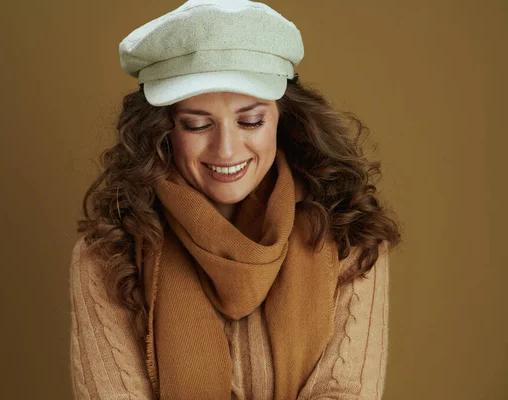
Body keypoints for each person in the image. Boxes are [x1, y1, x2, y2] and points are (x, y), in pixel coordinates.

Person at [69, 0, 402, 399]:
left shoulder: (349, 233)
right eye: (197, 124)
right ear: (163, 129)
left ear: (283, 118)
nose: (225, 150)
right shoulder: (108, 254)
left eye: (250, 121)